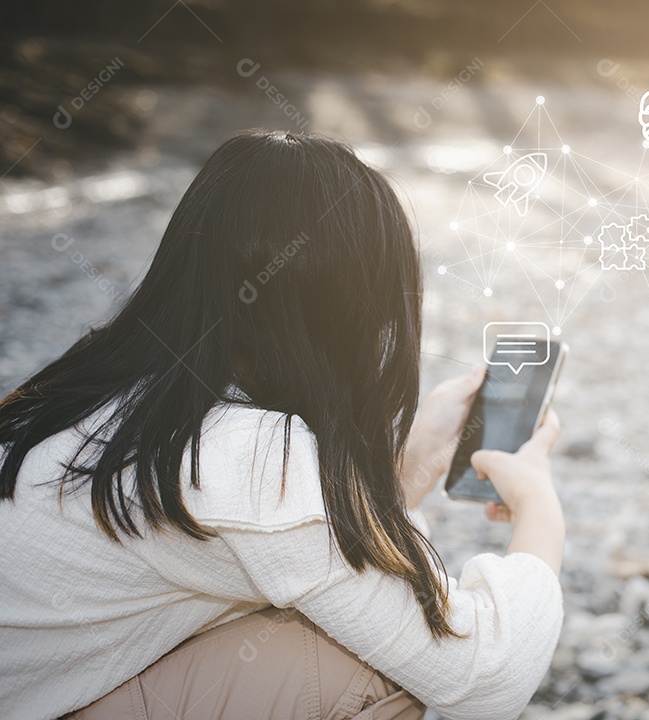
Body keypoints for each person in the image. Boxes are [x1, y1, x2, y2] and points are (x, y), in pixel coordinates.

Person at [0, 129, 566, 720]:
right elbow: (484, 675)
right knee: (364, 668)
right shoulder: (254, 456)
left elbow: (293, 550)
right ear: (349, 308)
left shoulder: (116, 388)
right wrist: (537, 508)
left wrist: (417, 457)